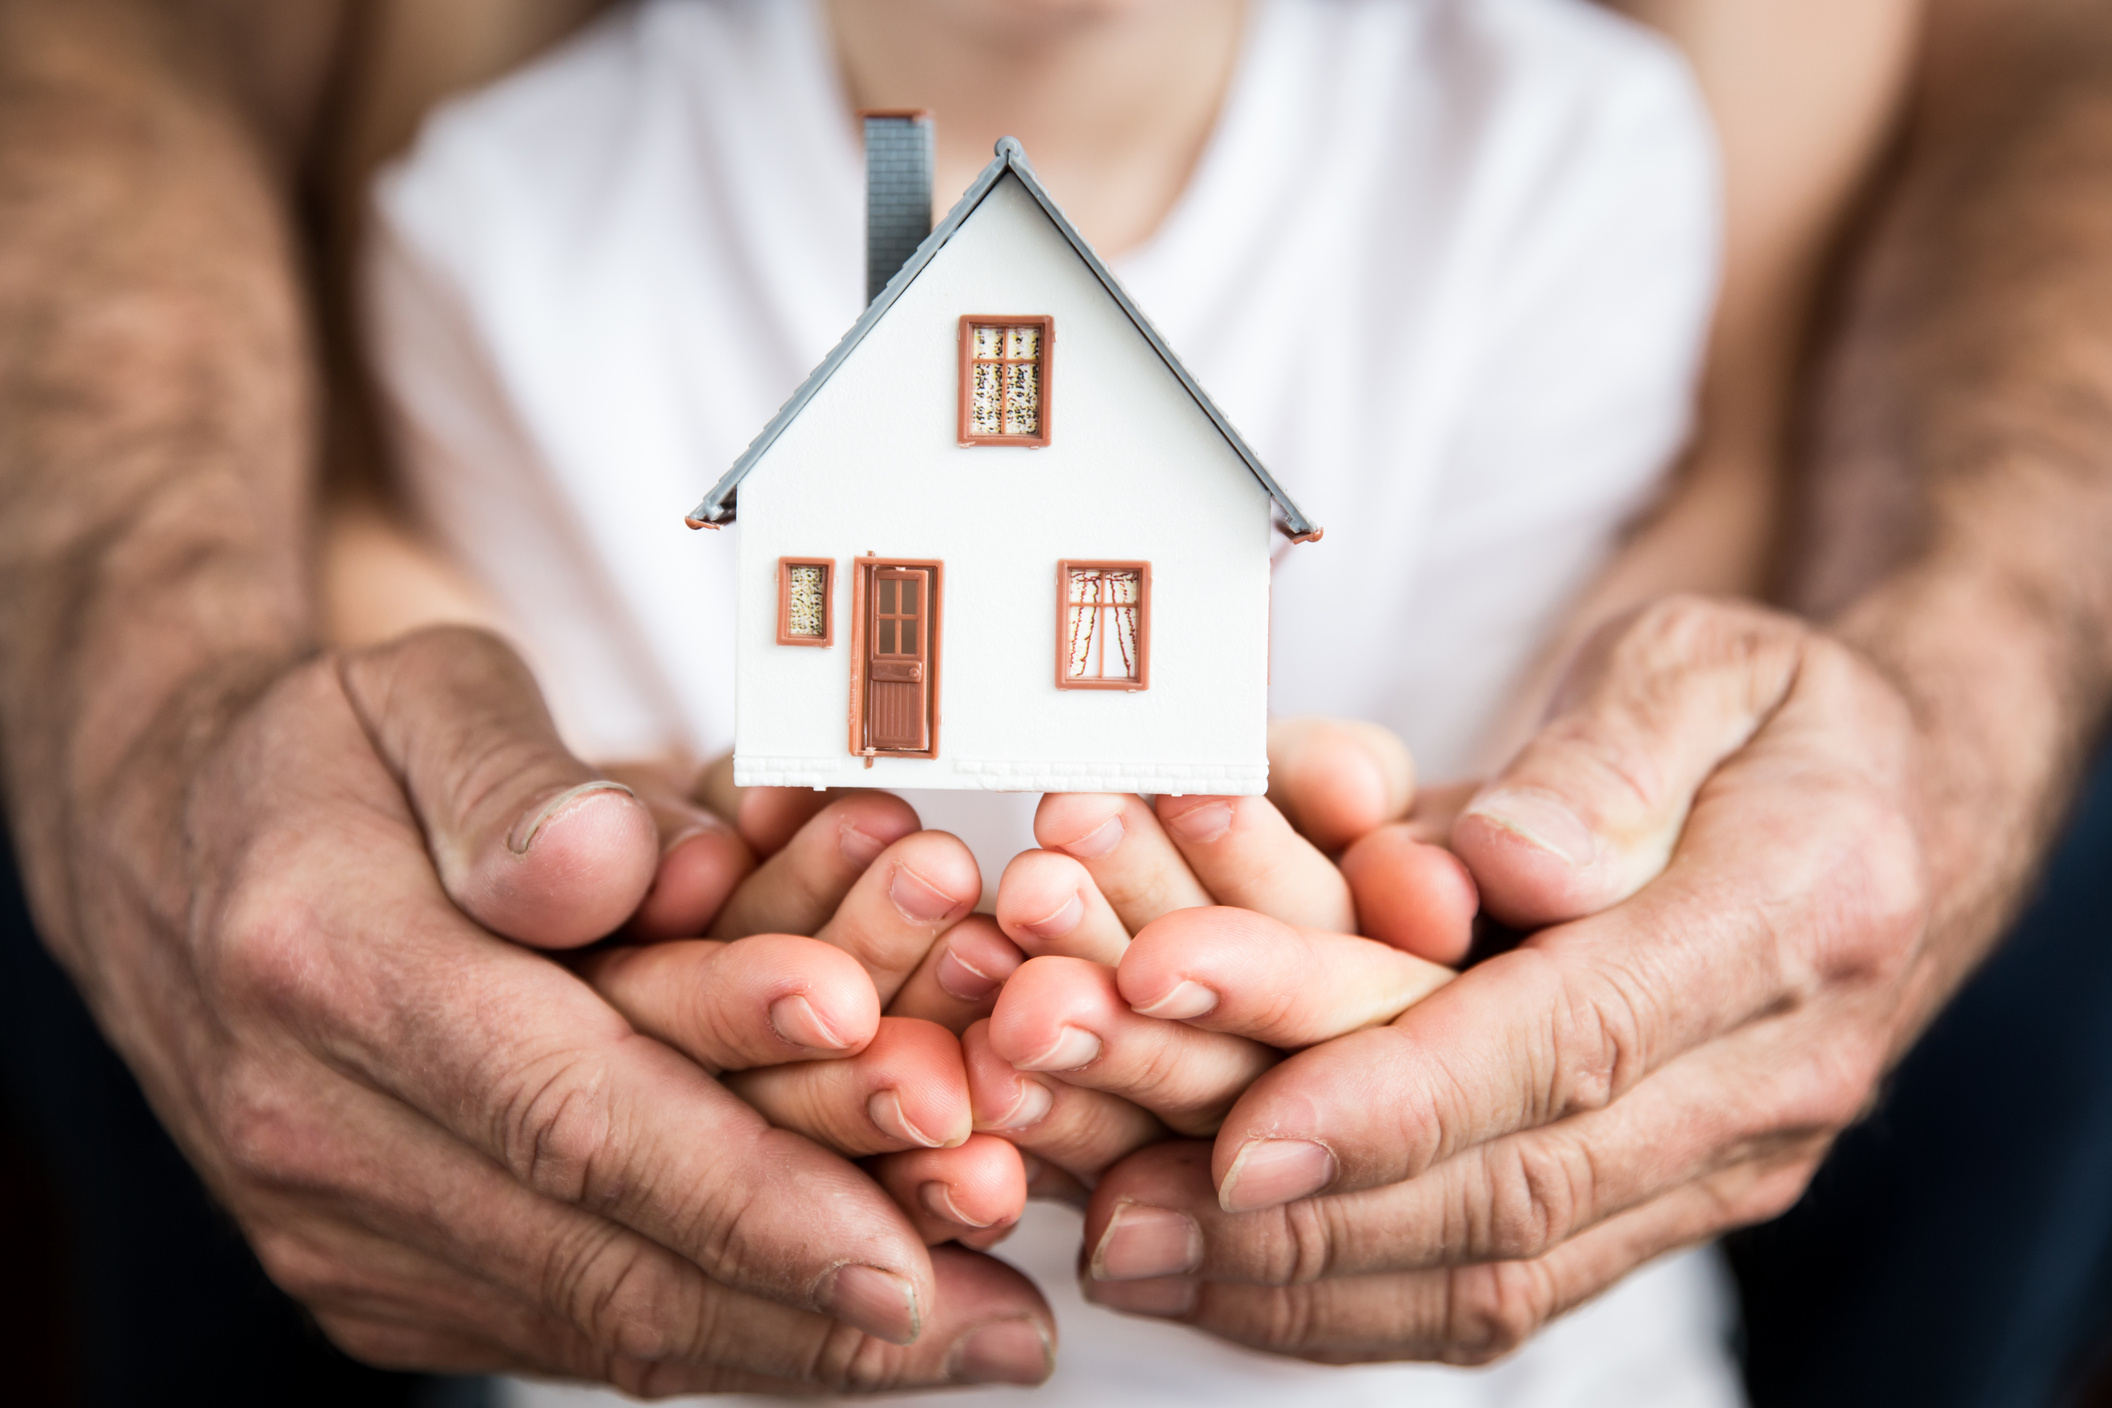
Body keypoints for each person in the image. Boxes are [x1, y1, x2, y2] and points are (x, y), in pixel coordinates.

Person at [1, 1, 2107, 1405]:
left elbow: (1600, 712)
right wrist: (666, 908)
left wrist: (1413, 906)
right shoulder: (511, 217)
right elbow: (489, 721)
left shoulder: (1566, 155)